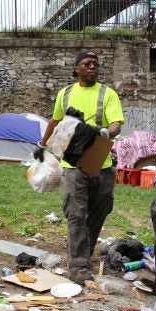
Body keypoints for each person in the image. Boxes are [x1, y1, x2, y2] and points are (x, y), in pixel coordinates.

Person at [35, 50, 124, 283]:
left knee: (99, 211)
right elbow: (55, 120)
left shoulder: (108, 93)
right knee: (76, 213)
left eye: (95, 63)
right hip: (73, 164)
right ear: (76, 68)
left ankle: (83, 252)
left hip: (100, 162)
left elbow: (116, 123)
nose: (92, 67)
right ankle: (79, 266)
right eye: (87, 63)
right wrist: (42, 144)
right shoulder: (64, 94)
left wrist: (105, 131)